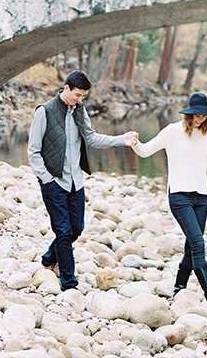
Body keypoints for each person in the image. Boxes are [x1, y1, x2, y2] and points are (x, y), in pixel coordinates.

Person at [28, 69, 138, 290]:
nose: (79, 99)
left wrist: (121, 140)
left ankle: (49, 258)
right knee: (63, 231)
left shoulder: (80, 111)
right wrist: (47, 179)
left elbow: (91, 137)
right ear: (66, 88)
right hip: (54, 182)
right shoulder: (45, 112)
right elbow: (33, 151)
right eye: (77, 95)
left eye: (83, 97)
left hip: (76, 182)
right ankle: (69, 283)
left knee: (76, 229)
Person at [131, 92, 207, 308]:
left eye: (204, 115)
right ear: (189, 113)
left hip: (202, 197)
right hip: (179, 196)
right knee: (199, 243)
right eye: (196, 115)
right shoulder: (172, 131)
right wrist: (135, 142)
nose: (200, 119)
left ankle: (178, 289)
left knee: (191, 247)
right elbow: (145, 151)